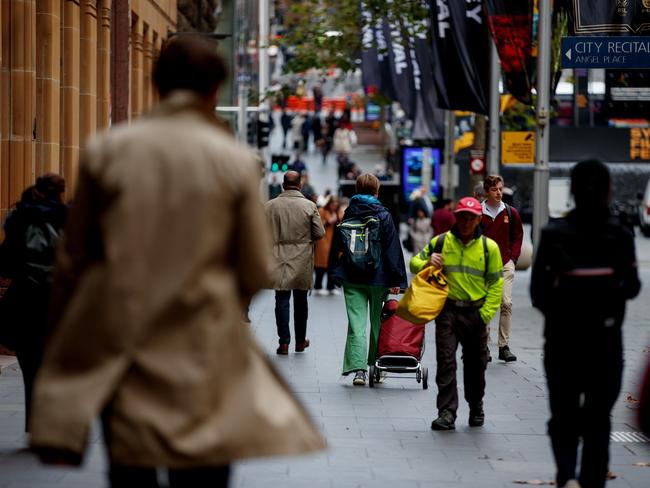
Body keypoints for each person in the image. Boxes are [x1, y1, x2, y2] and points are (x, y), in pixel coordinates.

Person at [28, 37, 325, 486]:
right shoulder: (235, 162)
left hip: (125, 345)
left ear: (156, 84)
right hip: (202, 350)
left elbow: (74, 263)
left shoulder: (110, 150)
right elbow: (251, 264)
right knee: (202, 473)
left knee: (132, 470)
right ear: (213, 91)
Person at [531, 159, 640, 488]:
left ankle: (567, 475)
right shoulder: (620, 235)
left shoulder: (553, 235)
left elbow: (538, 293)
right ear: (609, 190)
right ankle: (592, 481)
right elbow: (632, 286)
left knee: (563, 415)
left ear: (572, 192)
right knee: (597, 419)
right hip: (605, 343)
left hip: (562, 342)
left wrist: (562, 314)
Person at [410, 197, 503, 430]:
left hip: (476, 314)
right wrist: (426, 262)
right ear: (456, 217)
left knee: (476, 365)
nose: (465, 221)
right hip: (448, 312)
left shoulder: (489, 248)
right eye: (462, 216)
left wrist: (485, 315)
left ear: (478, 219)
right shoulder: (442, 242)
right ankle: (447, 412)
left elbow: (496, 285)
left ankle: (476, 404)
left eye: (471, 217)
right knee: (446, 362)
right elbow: (413, 263)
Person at [0, 174, 67, 432]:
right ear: (61, 192)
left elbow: (5, 261)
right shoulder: (69, 218)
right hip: (58, 303)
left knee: (30, 364)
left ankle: (34, 421)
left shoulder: (20, 218)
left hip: (26, 300)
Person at [330, 174, 407, 386]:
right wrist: (397, 280)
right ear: (377, 190)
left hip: (353, 277)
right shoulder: (383, 215)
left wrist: (336, 273)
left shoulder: (348, 213)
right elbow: (392, 249)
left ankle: (359, 371)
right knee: (377, 322)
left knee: (356, 324)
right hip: (379, 277)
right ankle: (378, 367)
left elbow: (338, 247)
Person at [265, 171, 325, 355]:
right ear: (300, 185)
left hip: (278, 255)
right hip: (302, 258)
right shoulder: (309, 206)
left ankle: (283, 342)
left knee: (281, 299)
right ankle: (300, 341)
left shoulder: (269, 206)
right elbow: (319, 233)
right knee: (300, 301)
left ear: (283, 184)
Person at [480, 175, 524, 362]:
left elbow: (518, 236)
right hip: (484, 265)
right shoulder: (478, 213)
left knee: (506, 303)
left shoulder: (510, 212)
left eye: (500, 189)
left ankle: (504, 346)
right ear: (486, 192)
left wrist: (513, 259)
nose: (498, 192)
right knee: (485, 305)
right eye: (494, 189)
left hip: (505, 263)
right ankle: (484, 346)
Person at [314, 196, 341, 296]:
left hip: (334, 242)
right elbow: (318, 224)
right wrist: (329, 221)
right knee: (320, 265)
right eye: (333, 205)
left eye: (336, 205)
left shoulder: (336, 212)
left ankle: (331, 286)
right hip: (324, 241)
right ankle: (318, 286)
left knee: (332, 265)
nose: (334, 207)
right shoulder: (322, 211)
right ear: (329, 204)